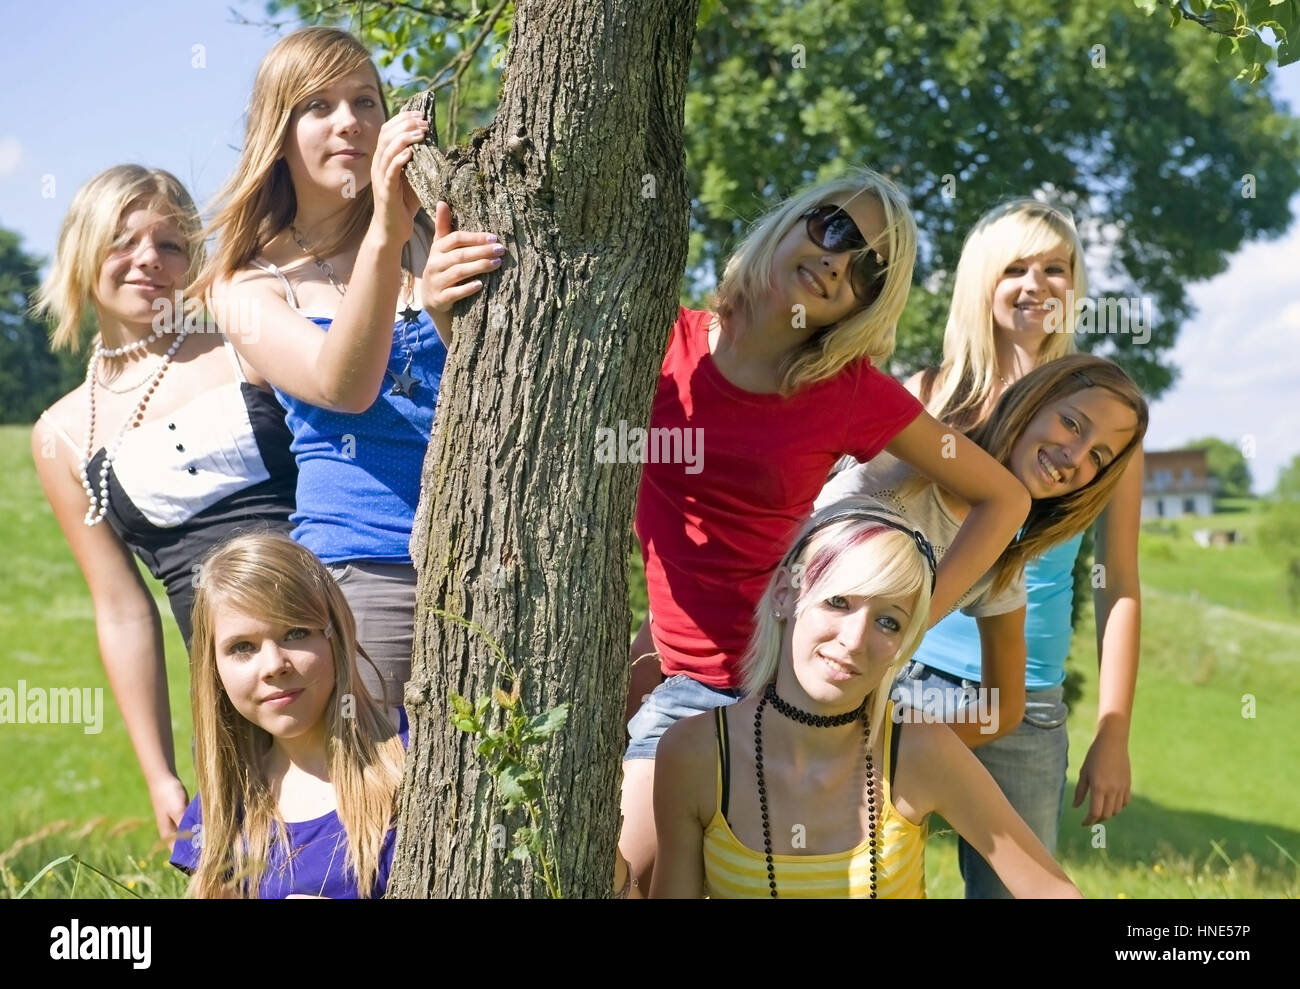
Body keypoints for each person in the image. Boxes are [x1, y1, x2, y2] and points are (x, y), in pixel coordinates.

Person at [614, 169, 1034, 896]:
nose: (841, 260)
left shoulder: (851, 392)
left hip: (772, 686)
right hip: (668, 667)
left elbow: (1002, 497)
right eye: (834, 226)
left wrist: (914, 617)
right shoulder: (664, 337)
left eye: (868, 268)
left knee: (621, 876)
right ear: (794, 218)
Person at [194, 27, 487, 714]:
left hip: (492, 551)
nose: (349, 121)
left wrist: (450, 315)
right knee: (380, 794)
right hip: (365, 568)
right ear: (278, 130)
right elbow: (344, 386)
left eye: (366, 100)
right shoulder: (247, 283)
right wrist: (387, 229)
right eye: (317, 105)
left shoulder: (438, 225)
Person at [30, 164, 297, 843]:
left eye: (171, 244)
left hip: (333, 639)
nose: (148, 258)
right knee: (257, 870)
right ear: (84, 253)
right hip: (233, 684)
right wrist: (158, 770)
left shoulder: (246, 347)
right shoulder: (62, 433)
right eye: (123, 240)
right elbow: (122, 607)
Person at [898, 199, 1146, 897]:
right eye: (1017, 267)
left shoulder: (1105, 422)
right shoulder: (926, 395)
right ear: (983, 278)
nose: (1037, 283)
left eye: (1057, 268)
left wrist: (1113, 731)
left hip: (1024, 702)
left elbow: (1118, 584)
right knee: (864, 872)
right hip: (904, 674)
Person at [650, 502, 1082, 898]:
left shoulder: (920, 750)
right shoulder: (694, 754)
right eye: (838, 602)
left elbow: (1052, 891)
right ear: (785, 594)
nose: (856, 640)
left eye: (889, 622)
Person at [818, 353, 1147, 750]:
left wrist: (894, 749)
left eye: (1097, 456)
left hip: (830, 725)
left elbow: (1004, 710)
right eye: (1072, 424)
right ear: (1032, 402)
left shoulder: (1001, 562)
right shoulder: (919, 455)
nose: (1075, 456)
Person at [170, 531, 406, 898]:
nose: (274, 665)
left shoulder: (412, 765)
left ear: (337, 637)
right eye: (242, 647)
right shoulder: (223, 806)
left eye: (296, 633)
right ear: (213, 669)